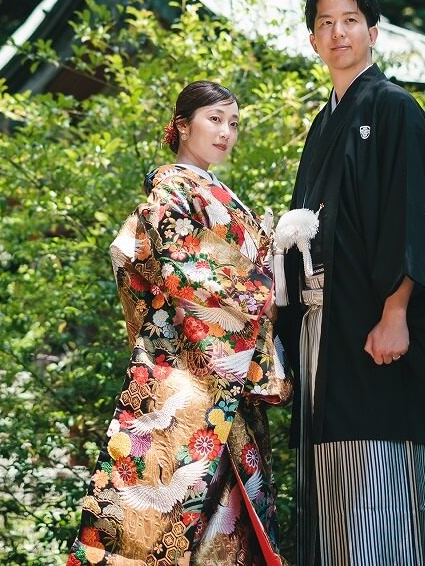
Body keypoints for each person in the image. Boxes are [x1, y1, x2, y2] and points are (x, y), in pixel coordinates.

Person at [68, 80, 290, 566]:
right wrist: (261, 290)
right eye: (214, 119)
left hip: (224, 368)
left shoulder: (213, 190)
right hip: (186, 366)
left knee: (225, 499)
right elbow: (183, 268)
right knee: (165, 496)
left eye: (233, 123)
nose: (225, 132)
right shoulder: (173, 188)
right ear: (182, 124)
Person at [275, 0, 425, 565]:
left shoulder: (395, 109)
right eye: (325, 23)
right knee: (328, 481)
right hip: (322, 328)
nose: (337, 32)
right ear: (312, 41)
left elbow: (412, 215)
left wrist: (398, 309)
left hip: (375, 323)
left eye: (350, 21)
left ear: (373, 34)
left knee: (379, 471)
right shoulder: (322, 125)